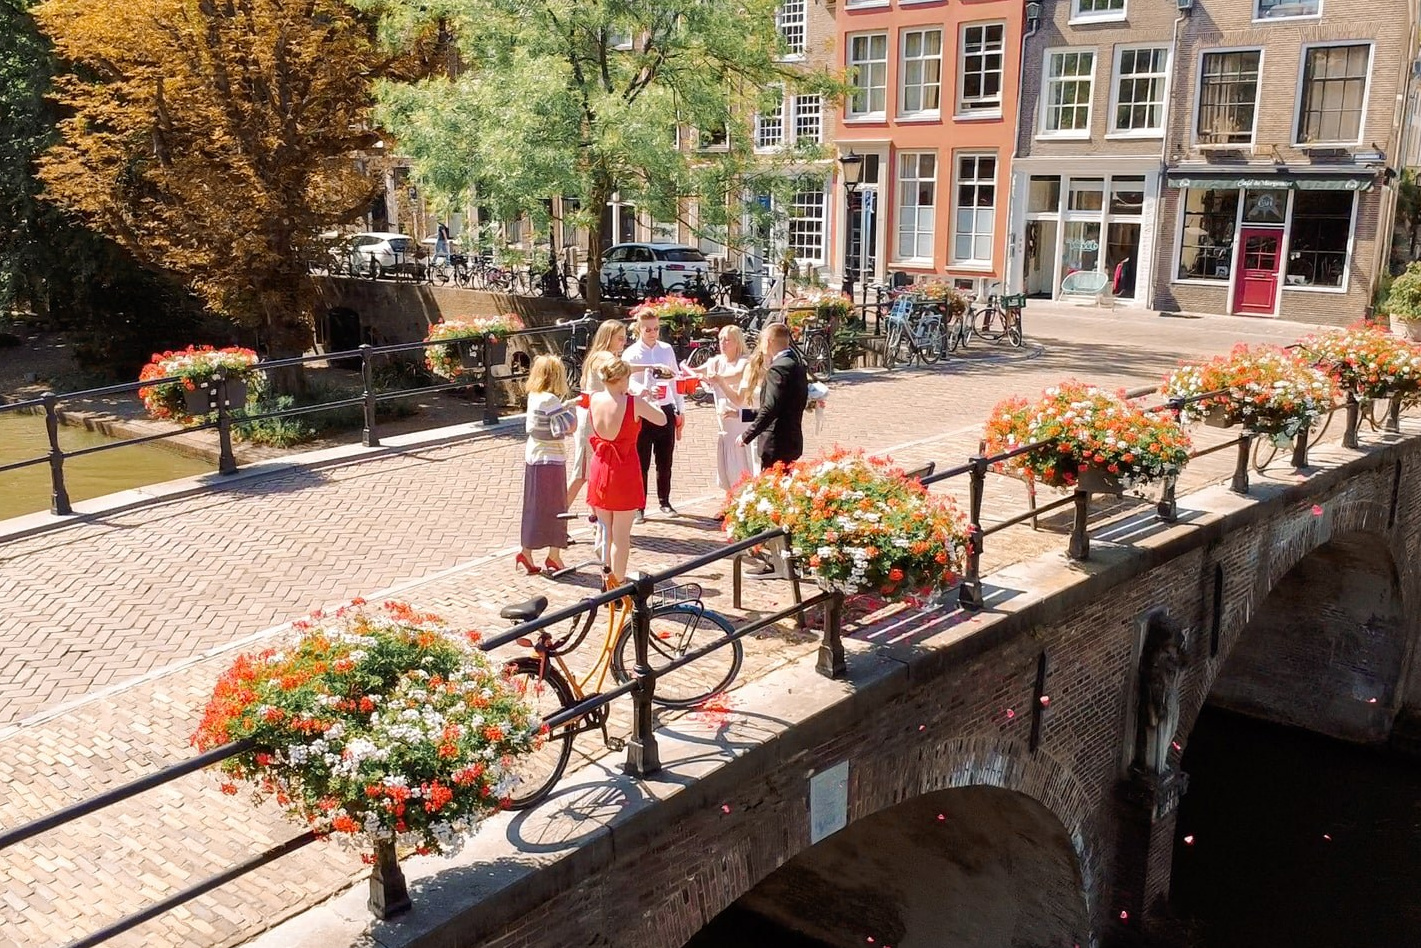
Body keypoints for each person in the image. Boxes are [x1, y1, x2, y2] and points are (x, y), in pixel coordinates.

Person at [586, 358, 668, 587]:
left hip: (601, 465)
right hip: (623, 468)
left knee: (604, 531)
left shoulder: (594, 398)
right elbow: (661, 420)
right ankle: (617, 585)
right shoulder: (632, 402)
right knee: (621, 535)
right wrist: (652, 399)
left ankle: (605, 580)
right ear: (622, 378)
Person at [621, 309, 685, 523]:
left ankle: (664, 501)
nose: (652, 333)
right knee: (641, 460)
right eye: (648, 329)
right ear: (639, 328)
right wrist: (643, 390)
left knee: (665, 459)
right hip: (643, 409)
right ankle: (639, 506)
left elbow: (675, 380)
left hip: (665, 407)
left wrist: (680, 410)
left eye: (656, 329)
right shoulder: (631, 353)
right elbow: (626, 381)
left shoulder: (666, 350)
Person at [518, 355, 578, 575]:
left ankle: (526, 551)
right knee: (557, 508)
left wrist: (566, 405)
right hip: (551, 459)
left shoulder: (535, 396)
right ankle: (554, 556)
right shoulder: (550, 400)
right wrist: (572, 410)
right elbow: (567, 426)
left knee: (534, 506)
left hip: (534, 456)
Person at [566, 319, 628, 507]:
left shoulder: (606, 356)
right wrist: (649, 367)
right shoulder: (602, 356)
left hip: (600, 419)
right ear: (608, 338)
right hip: (590, 422)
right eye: (620, 338)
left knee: (597, 471)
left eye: (625, 338)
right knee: (581, 474)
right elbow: (618, 367)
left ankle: (598, 518)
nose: (623, 342)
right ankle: (556, 521)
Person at [689, 325, 753, 493]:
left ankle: (743, 499)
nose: (723, 343)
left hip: (741, 417)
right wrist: (687, 372)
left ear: (738, 342)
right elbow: (695, 370)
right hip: (724, 421)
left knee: (741, 462)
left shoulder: (746, 361)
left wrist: (716, 379)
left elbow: (736, 375)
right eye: (721, 339)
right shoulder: (716, 361)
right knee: (725, 465)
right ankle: (729, 498)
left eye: (727, 340)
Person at [740, 322, 808, 470]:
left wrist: (747, 435)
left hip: (776, 445)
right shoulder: (798, 365)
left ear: (769, 341)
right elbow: (783, 406)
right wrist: (741, 414)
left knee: (772, 489)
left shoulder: (777, 368)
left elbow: (771, 407)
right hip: (792, 441)